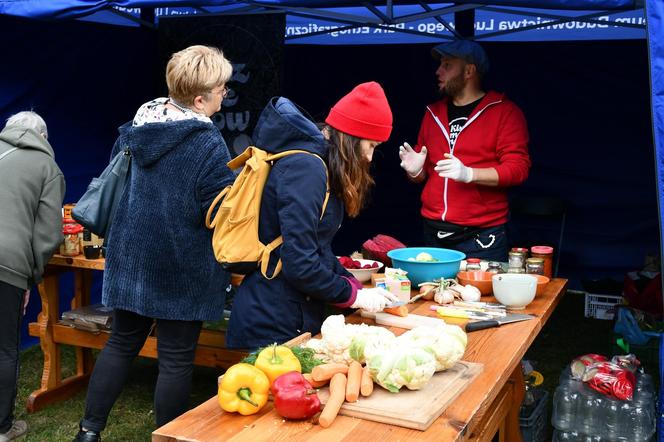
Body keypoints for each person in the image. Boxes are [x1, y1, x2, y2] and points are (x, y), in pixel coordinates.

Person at [73, 45, 236, 442]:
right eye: (222, 88)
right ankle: (167, 438)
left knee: (121, 344)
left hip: (130, 256)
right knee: (176, 361)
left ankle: (88, 432)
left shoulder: (137, 126)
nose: (225, 94)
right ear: (200, 99)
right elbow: (219, 209)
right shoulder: (207, 143)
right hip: (180, 263)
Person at [226, 82, 398, 350]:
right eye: (371, 145)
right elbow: (300, 263)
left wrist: (350, 282)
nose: (369, 157)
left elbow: (316, 247)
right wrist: (352, 295)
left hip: (294, 312)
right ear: (351, 137)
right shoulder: (307, 168)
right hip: (273, 319)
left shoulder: (319, 163)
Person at [399, 39, 530, 261]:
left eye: (447, 65)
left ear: (469, 71)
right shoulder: (432, 112)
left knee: (480, 297)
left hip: (482, 237)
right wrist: (415, 172)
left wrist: (469, 174)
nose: (438, 71)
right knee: (436, 295)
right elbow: (424, 177)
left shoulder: (504, 112)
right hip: (433, 232)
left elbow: (518, 169)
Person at [0, 111, 65, 441]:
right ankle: (2, 428)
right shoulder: (47, 167)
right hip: (6, 264)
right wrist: (30, 277)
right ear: (43, 136)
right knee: (4, 349)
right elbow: (48, 235)